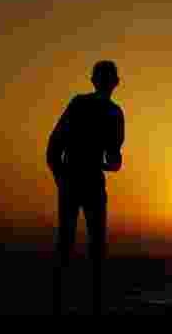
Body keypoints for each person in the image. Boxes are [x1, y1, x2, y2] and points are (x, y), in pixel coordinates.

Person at [47, 60, 125, 315]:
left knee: (71, 243)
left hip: (78, 179)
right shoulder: (111, 112)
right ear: (115, 83)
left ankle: (65, 304)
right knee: (91, 244)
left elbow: (54, 146)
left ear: (94, 81)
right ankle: (89, 305)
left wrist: (61, 176)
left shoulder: (84, 105)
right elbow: (114, 159)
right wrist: (63, 176)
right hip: (84, 179)